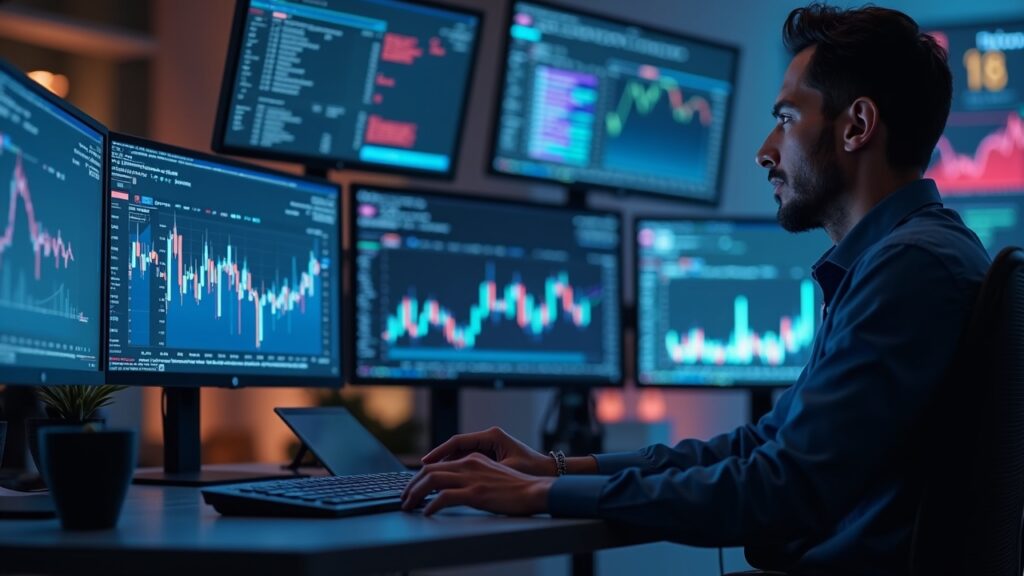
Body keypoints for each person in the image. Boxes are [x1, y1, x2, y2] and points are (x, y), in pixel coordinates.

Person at [400, 3, 991, 574]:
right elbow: (763, 444)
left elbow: (780, 488)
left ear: (857, 126)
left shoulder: (911, 268)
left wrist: (540, 496)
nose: (766, 151)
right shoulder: (904, 257)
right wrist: (555, 469)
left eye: (785, 119)